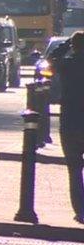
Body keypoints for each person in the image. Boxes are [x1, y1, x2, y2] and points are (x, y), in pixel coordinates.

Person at [49, 31, 84, 223]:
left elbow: (51, 59)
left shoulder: (68, 64)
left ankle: (81, 210)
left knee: (74, 170)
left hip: (70, 122)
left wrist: (66, 44)